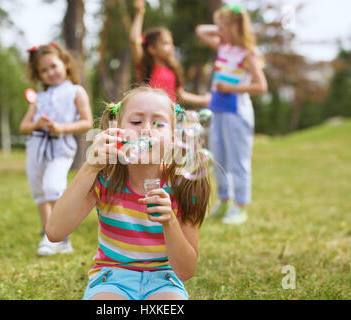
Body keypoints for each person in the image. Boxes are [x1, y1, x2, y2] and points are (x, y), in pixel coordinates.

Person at [46, 86, 211, 300]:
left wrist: (169, 221)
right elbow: (55, 231)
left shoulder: (184, 187)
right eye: (136, 122)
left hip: (164, 280)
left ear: (173, 137)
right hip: (111, 278)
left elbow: (186, 271)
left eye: (158, 123)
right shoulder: (106, 180)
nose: (146, 131)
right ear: (116, 130)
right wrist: (91, 167)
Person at [196, 4, 267, 224]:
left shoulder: (248, 54)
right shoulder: (223, 47)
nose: (218, 33)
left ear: (235, 28)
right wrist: (223, 24)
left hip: (237, 113)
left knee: (239, 161)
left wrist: (232, 88)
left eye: (222, 28)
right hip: (218, 111)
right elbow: (200, 30)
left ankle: (240, 206)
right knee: (219, 159)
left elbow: (261, 86)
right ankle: (224, 199)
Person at [19, 43, 93, 255]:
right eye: (44, 70)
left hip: (60, 147)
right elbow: (24, 127)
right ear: (38, 75)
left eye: (53, 66)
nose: (50, 73)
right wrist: (36, 124)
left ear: (65, 63)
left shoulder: (76, 91)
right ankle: (49, 236)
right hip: (36, 147)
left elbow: (86, 121)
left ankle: (62, 236)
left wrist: (61, 128)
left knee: (53, 187)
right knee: (39, 192)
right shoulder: (38, 99)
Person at [130, 0, 211, 108]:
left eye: (171, 43)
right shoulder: (144, 66)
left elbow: (181, 94)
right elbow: (134, 40)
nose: (171, 46)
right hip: (150, 116)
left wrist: (204, 99)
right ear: (152, 49)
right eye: (166, 43)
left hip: (168, 118)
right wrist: (139, 13)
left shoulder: (172, 69)